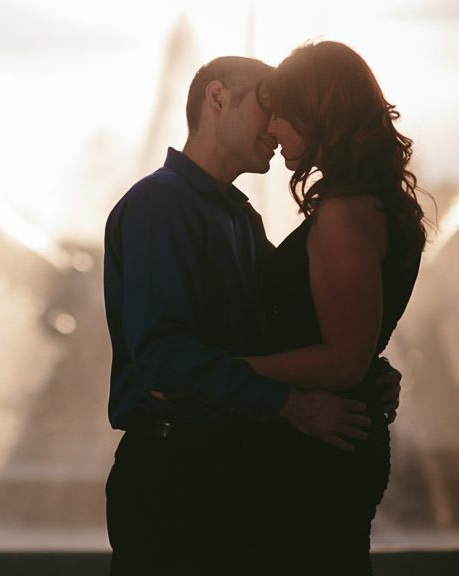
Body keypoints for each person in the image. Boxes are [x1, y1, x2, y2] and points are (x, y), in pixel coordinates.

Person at [102, 56, 401, 575]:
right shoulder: (160, 204)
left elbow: (278, 329)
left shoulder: (238, 214)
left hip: (226, 473)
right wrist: (288, 403)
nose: (278, 123)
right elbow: (162, 357)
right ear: (217, 99)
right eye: (268, 105)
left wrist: (363, 370)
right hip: (173, 478)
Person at [242, 41, 428, 575]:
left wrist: (227, 369)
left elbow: (344, 359)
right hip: (334, 440)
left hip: (315, 453)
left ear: (318, 111)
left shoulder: (344, 214)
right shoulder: (374, 203)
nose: (272, 127)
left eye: (281, 112)